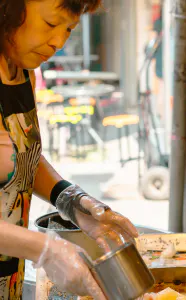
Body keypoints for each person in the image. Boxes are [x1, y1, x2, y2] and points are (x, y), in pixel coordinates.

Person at [0, 1, 138, 299]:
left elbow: (19, 160)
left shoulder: (22, 73)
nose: (59, 42)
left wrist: (70, 200)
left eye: (69, 29)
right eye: (51, 24)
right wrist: (45, 249)